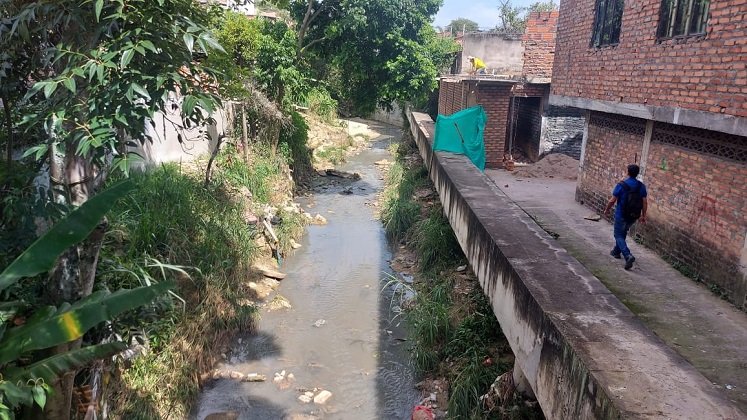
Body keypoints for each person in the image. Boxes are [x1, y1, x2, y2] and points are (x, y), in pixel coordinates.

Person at [603, 164, 648, 270]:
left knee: (618, 235)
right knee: (622, 233)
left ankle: (628, 255)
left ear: (628, 172)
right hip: (634, 215)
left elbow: (612, 200)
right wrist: (643, 215)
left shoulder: (622, 185)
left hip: (621, 214)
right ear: (637, 173)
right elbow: (645, 202)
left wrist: (607, 209)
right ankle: (616, 252)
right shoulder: (641, 186)